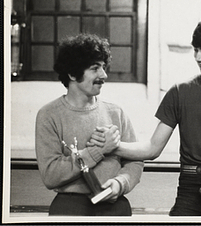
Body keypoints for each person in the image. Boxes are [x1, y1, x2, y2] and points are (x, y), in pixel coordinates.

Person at [89, 17, 201, 216]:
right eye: (196, 50)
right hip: (191, 188)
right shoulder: (179, 92)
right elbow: (152, 148)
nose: (198, 57)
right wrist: (113, 145)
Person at [35, 34, 143, 216]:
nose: (104, 75)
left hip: (115, 207)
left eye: (103, 67)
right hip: (69, 208)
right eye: (95, 69)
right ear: (72, 73)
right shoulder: (49, 115)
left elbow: (135, 162)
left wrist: (120, 183)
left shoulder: (116, 113)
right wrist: (97, 150)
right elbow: (50, 175)